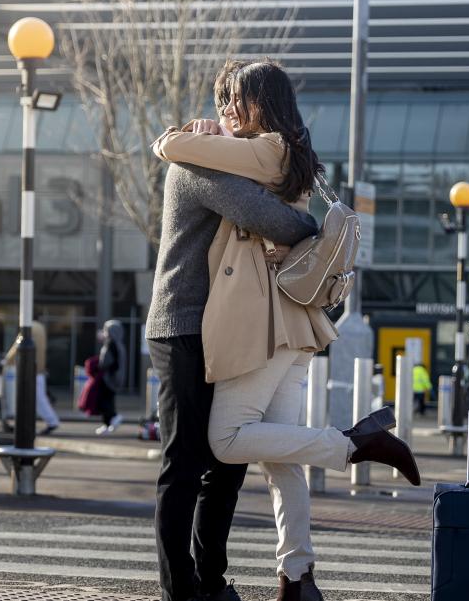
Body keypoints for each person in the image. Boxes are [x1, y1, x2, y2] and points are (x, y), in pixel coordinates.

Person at [153, 60, 420, 601]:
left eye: (234, 99)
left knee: (224, 453)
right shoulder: (256, 162)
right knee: (211, 462)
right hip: (216, 322)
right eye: (220, 100)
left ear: (260, 105)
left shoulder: (253, 157)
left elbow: (266, 212)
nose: (225, 110)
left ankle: (224, 578)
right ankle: (270, 579)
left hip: (256, 323)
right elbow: (284, 221)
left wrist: (187, 135)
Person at [3, 320, 61, 436]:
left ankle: (51, 421)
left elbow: (17, 345)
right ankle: (43, 421)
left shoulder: (28, 327)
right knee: (36, 397)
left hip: (30, 368)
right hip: (38, 367)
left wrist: (7, 360)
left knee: (36, 398)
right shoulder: (40, 327)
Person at [93, 320, 125, 435]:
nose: (104, 332)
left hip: (109, 378)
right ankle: (107, 424)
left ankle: (113, 417)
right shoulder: (117, 343)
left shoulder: (111, 343)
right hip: (112, 377)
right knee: (107, 399)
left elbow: (108, 361)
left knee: (105, 400)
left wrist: (100, 368)